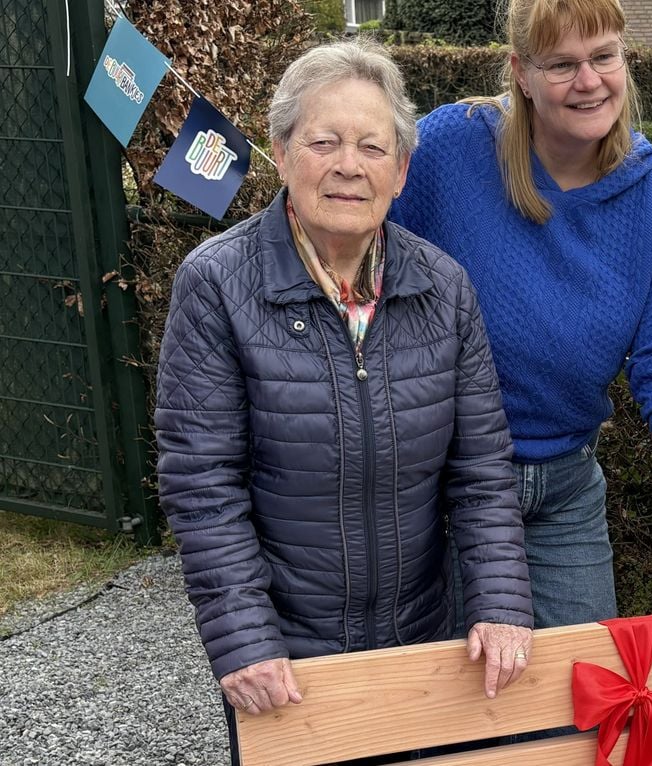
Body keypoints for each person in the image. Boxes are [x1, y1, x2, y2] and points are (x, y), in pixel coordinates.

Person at [155, 39, 533, 762]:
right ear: (279, 150)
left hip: (420, 636)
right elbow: (202, 484)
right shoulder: (216, 285)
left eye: (372, 145)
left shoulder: (444, 286)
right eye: (323, 141)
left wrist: (501, 605)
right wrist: (244, 638)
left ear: (401, 169)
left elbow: (482, 470)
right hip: (287, 654)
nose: (348, 166)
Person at [392, 0, 652, 629]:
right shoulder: (449, 150)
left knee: (583, 693)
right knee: (454, 700)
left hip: (566, 487)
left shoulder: (651, 191)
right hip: (440, 483)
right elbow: (356, 250)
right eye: (561, 64)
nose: (589, 81)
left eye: (603, 56)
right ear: (520, 72)